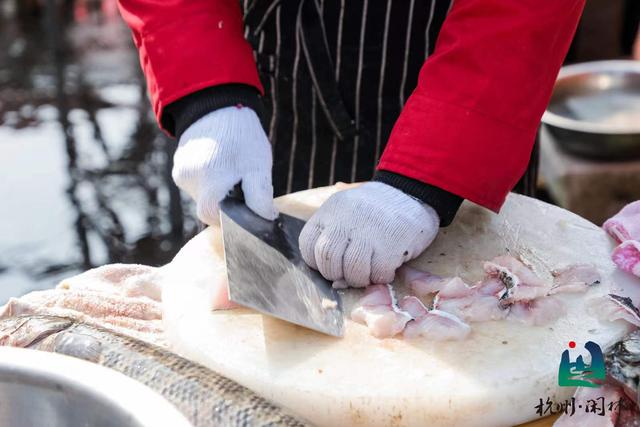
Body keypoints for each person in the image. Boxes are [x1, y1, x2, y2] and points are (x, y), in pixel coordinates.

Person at [116, 0, 585, 287]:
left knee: (492, 301)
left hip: (484, 80)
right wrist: (207, 90)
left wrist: (438, 170)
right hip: (285, 68)